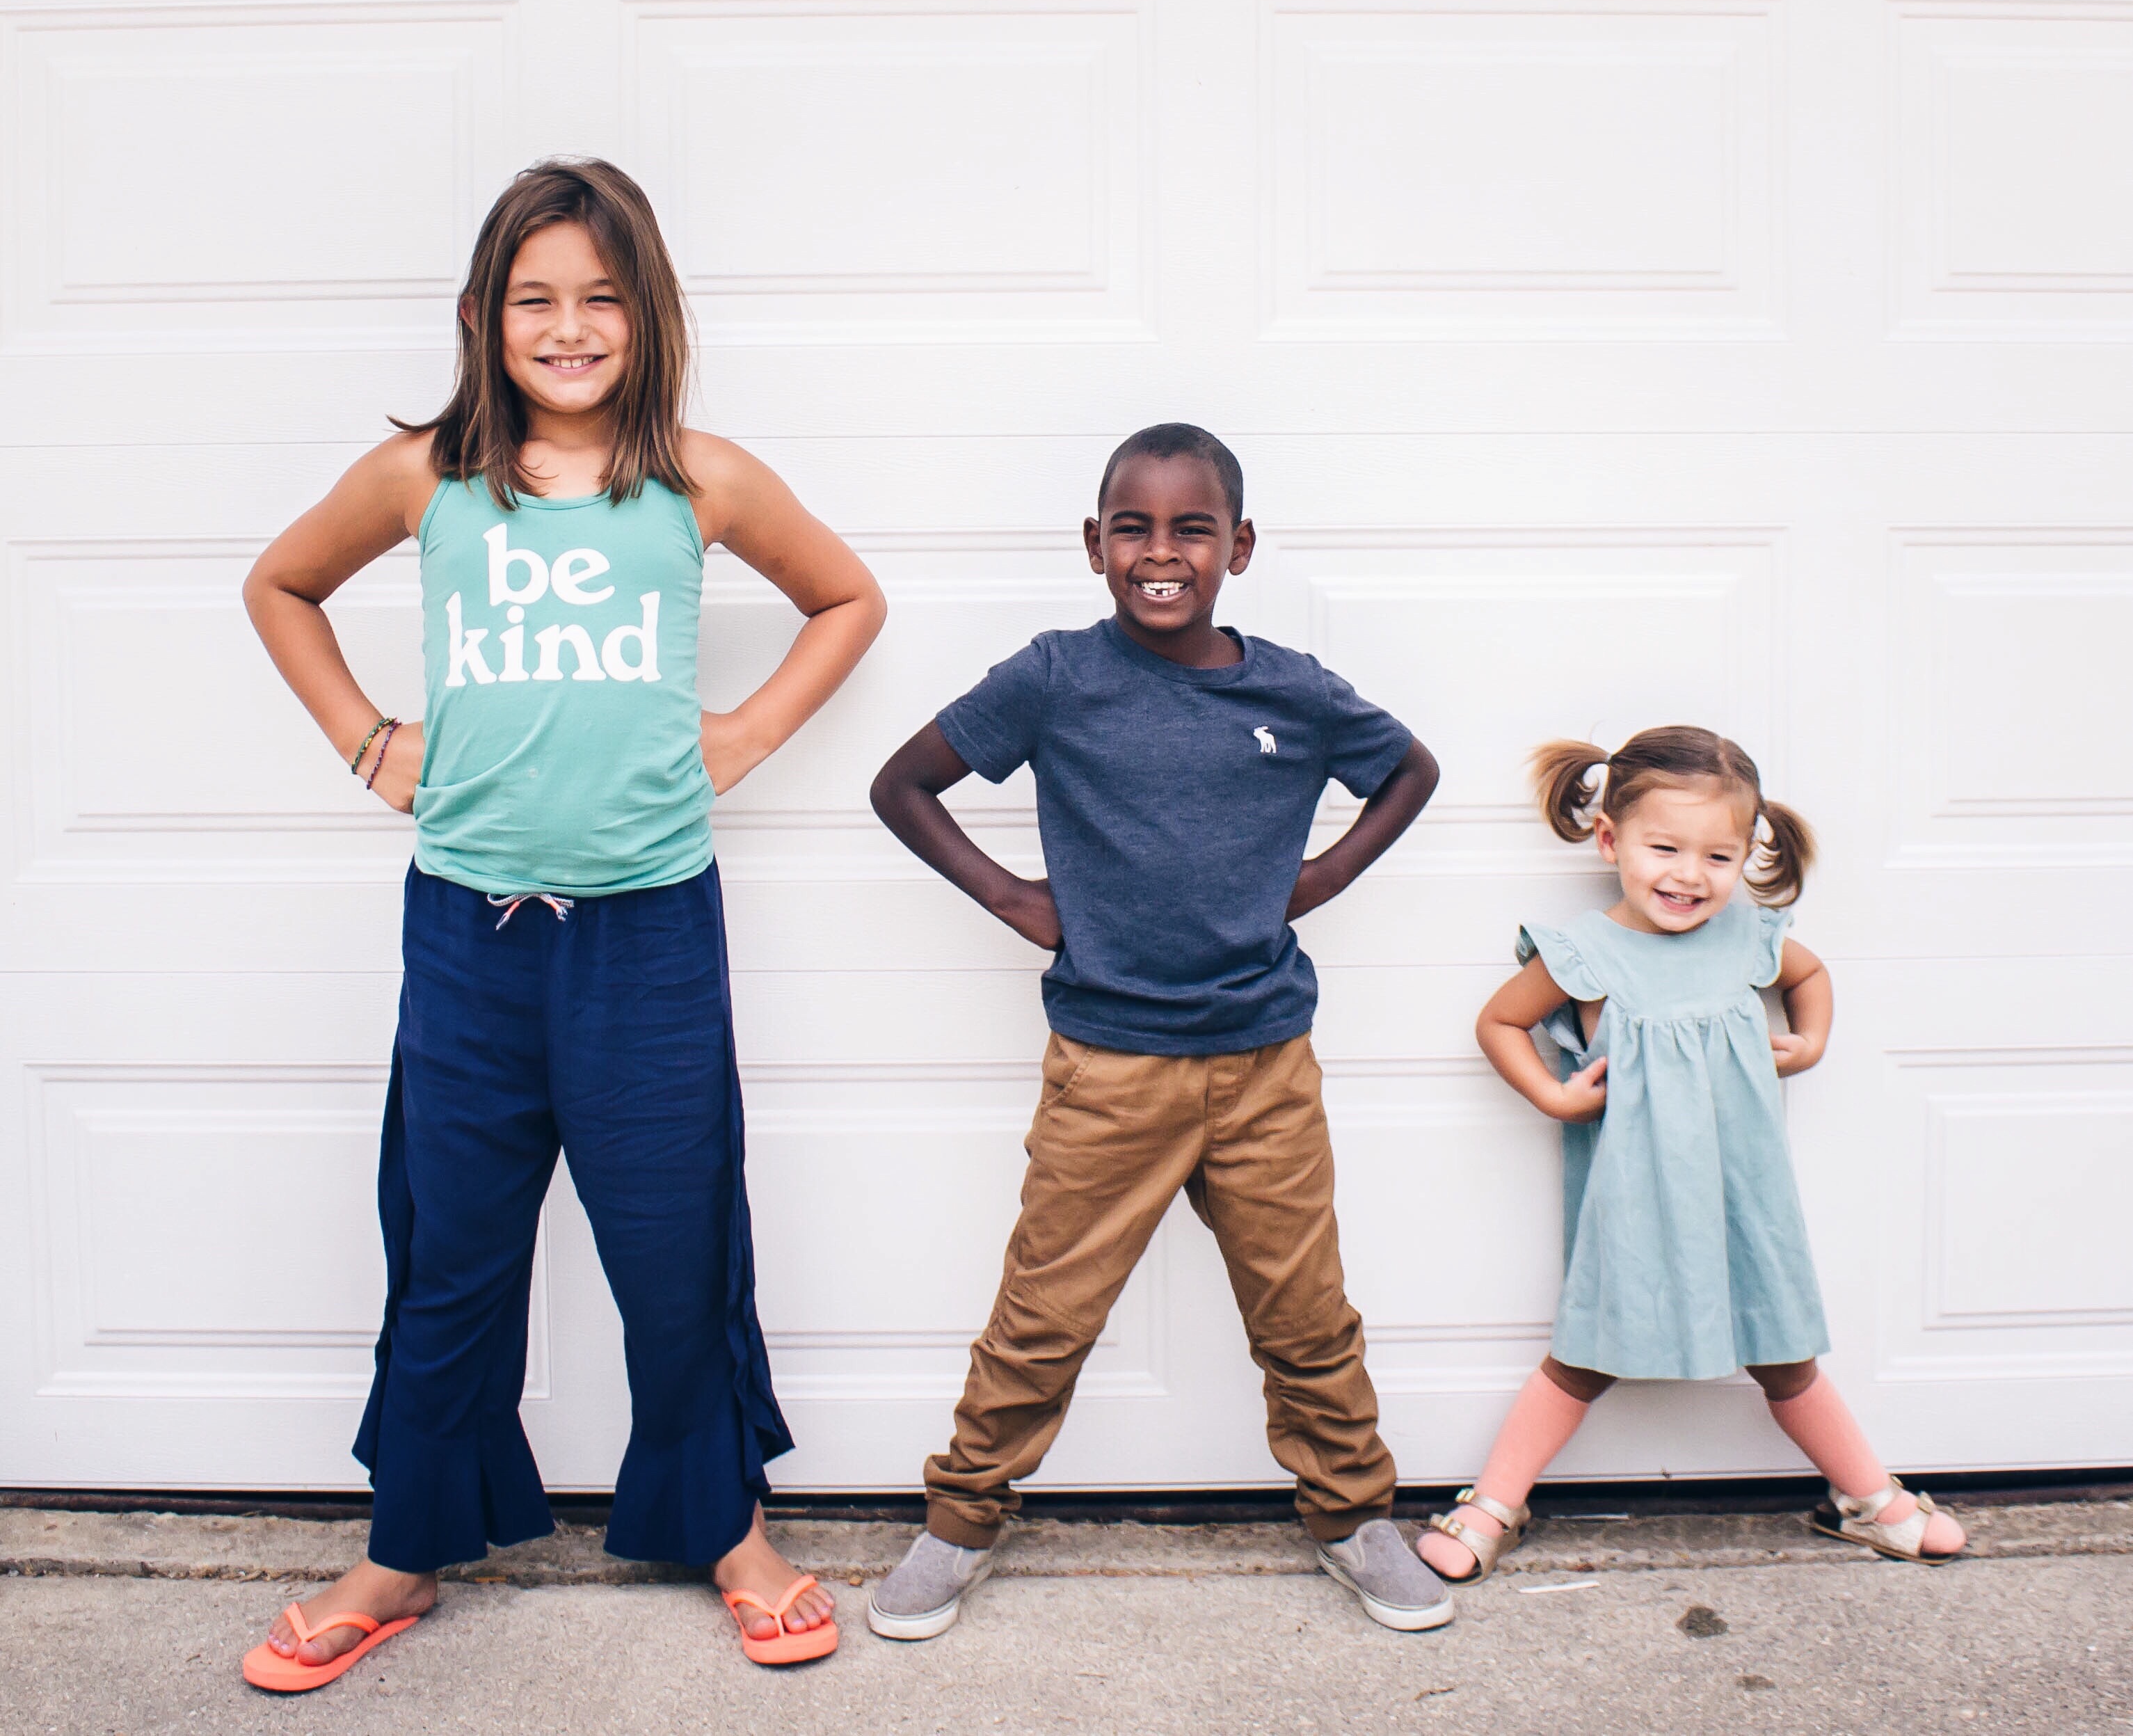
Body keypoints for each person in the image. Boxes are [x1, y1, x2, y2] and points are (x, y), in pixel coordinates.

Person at [238, 158, 886, 1689]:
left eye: (602, 297)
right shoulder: (424, 481)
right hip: (468, 937)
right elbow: (282, 585)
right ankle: (404, 1550)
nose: (570, 325)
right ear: (482, 316)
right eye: (537, 298)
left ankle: (725, 1527)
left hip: (650, 936)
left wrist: (738, 738)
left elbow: (846, 598)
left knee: (674, 1247)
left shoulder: (700, 480)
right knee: (452, 1250)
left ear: (649, 317)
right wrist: (363, 739)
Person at [864, 423, 1451, 1639]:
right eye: (1133, 525)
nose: (1161, 550)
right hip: (1108, 1070)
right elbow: (902, 785)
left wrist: (1328, 874)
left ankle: (1354, 1516)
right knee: (1045, 1313)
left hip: (1263, 1067)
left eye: (1192, 527)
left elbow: (1410, 769)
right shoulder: (1055, 678)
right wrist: (1016, 899)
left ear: (1238, 545)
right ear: (1095, 545)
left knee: (1306, 1315)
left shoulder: (1290, 688)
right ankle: (960, 1520)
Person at [1416, 726, 1968, 1584]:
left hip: (1745, 1195)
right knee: (1585, 1355)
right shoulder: (1585, 953)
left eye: (1718, 855)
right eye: (1663, 848)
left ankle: (1870, 1500)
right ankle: (1494, 1504)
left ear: (1748, 854)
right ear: (1611, 840)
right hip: (1633, 1196)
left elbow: (1811, 975)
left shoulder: (1748, 939)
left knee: (1785, 1354)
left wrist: (1811, 1040)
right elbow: (1499, 1021)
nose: (1688, 874)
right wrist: (1554, 1094)